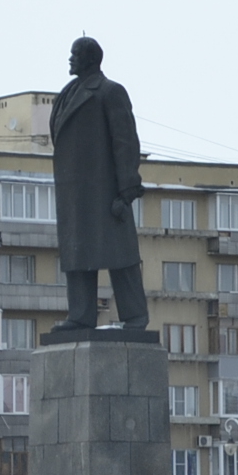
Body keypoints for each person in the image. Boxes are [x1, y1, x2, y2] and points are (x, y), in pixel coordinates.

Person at [49, 37, 148, 333]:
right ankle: (81, 315)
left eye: (74, 55)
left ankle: (135, 316)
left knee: (121, 257)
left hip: (104, 191)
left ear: (90, 59)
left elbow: (126, 141)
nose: (70, 59)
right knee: (78, 256)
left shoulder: (109, 91)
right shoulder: (68, 93)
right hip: (75, 192)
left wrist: (127, 189)